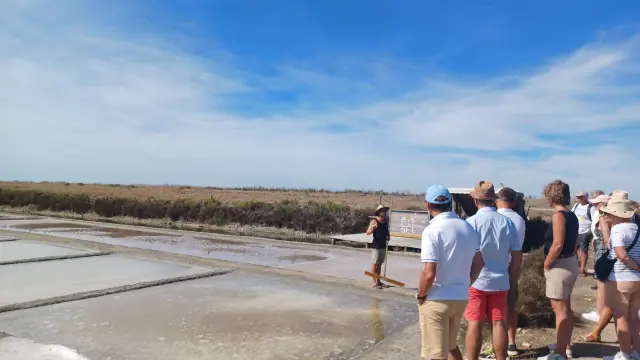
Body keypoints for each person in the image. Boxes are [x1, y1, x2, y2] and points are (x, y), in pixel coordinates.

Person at [417, 185, 485, 360]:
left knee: (436, 354)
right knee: (451, 346)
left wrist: (421, 294)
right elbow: (479, 262)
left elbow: (428, 273)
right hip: (460, 297)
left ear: (427, 205)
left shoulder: (432, 230)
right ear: (450, 203)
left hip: (437, 298)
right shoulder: (467, 227)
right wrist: (466, 282)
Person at [464, 181, 523, 360]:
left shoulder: (470, 223)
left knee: (474, 324)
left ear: (475, 201)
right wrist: (512, 279)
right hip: (500, 280)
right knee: (498, 323)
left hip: (476, 281)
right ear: (493, 200)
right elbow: (517, 255)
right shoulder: (507, 223)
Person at [538, 180, 579, 360]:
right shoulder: (572, 215)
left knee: (560, 310)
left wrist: (547, 263)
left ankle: (560, 353)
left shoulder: (559, 216)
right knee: (566, 308)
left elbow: (557, 243)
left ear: (551, 195)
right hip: (570, 261)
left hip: (560, 264)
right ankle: (565, 345)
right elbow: (576, 242)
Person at [600, 192, 640, 360]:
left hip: (620, 278)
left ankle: (625, 354)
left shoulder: (617, 230)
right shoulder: (637, 229)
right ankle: (636, 352)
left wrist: (636, 266)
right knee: (634, 317)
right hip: (637, 280)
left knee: (621, 317)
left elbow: (621, 255)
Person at [496, 187, 527, 357]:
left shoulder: (494, 218)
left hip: (493, 266)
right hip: (512, 265)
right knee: (510, 305)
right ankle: (511, 343)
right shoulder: (519, 220)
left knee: (493, 307)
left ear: (497, 200)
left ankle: (496, 346)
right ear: (514, 202)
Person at [582, 193, 611, 324]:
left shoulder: (604, 217)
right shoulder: (608, 217)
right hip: (601, 249)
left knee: (601, 284)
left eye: (597, 203)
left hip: (603, 252)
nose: (594, 205)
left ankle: (600, 313)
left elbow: (607, 240)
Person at [572, 191, 598, 277]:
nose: (578, 198)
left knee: (583, 250)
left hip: (585, 232)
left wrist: (590, 232)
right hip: (575, 231)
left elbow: (594, 220)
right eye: (577, 197)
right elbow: (572, 215)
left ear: (585, 197)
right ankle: (576, 266)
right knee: (574, 249)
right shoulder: (576, 205)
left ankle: (582, 269)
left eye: (580, 197)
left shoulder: (591, 207)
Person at [366, 204, 390, 289]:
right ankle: (374, 282)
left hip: (383, 245)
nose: (384, 212)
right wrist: (372, 228)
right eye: (382, 211)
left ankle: (379, 281)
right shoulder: (374, 221)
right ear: (378, 212)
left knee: (379, 264)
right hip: (376, 245)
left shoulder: (386, 221)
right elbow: (367, 232)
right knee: (374, 264)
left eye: (384, 211)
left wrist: (388, 237)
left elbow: (387, 232)